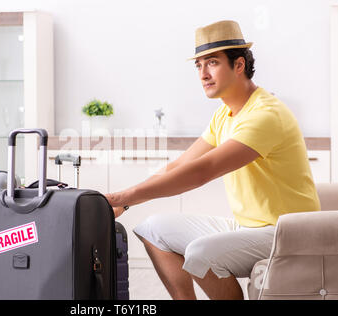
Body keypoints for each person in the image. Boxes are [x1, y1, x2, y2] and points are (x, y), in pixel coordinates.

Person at [104, 20, 320, 300]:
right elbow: (180, 165)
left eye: (212, 63)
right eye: (198, 65)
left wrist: (124, 194)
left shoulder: (264, 114)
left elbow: (201, 172)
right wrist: (125, 201)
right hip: (248, 226)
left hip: (286, 232)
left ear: (239, 65)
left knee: (200, 253)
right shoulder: (225, 113)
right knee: (152, 229)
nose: (203, 74)